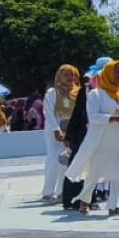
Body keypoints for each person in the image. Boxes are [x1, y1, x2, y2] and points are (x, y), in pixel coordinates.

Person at [66, 59, 119, 216]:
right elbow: (93, 116)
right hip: (103, 138)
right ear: (107, 73)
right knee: (96, 170)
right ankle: (84, 202)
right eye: (116, 71)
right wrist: (114, 118)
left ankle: (115, 205)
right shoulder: (96, 94)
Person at [41, 65, 80, 202]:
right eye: (66, 75)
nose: (70, 78)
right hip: (54, 131)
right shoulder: (53, 92)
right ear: (60, 77)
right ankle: (48, 192)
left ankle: (61, 192)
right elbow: (49, 113)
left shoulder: (78, 92)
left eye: (72, 75)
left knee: (66, 161)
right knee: (53, 159)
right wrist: (57, 130)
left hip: (71, 131)